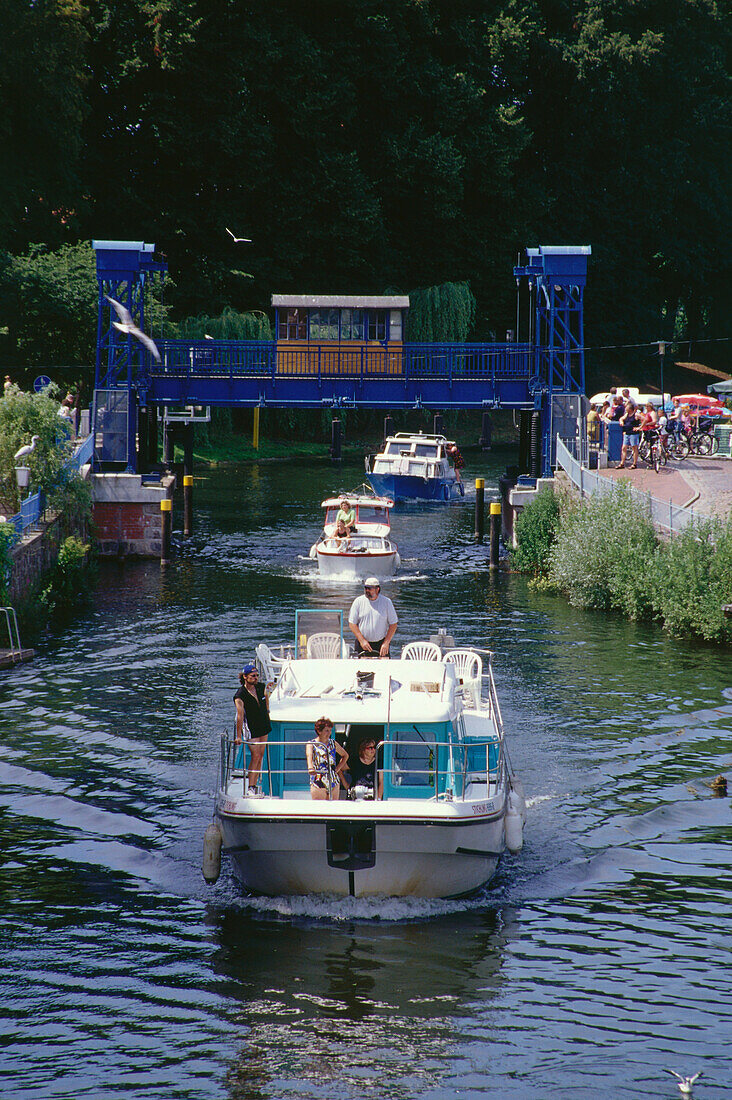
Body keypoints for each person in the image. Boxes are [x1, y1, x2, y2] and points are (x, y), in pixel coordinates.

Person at [234, 663, 272, 796]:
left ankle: (254, 784)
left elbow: (266, 698)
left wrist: (267, 710)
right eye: (253, 676)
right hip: (251, 728)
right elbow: (240, 716)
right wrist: (238, 736)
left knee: (260, 756)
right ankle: (251, 786)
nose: (256, 678)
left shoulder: (261, 687)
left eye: (257, 675)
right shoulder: (240, 695)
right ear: (245, 677)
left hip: (263, 725)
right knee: (255, 756)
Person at [349, 578, 398, 657]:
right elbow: (352, 624)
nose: (366, 590)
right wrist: (362, 640)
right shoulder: (358, 601)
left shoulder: (387, 602)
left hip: (381, 644)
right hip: (362, 644)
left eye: (369, 588)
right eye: (365, 588)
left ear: (377, 589)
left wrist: (386, 643)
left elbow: (393, 624)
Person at [306, 716, 348, 800]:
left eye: (330, 730)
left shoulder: (333, 743)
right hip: (318, 779)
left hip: (333, 780)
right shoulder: (311, 744)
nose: (329, 733)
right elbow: (309, 756)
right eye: (326, 730)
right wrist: (310, 767)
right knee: (320, 808)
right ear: (319, 731)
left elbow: (345, 755)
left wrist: (338, 768)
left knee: (333, 808)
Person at [618, 400, 641, 468]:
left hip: (633, 433)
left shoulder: (636, 415)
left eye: (627, 408)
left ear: (630, 409)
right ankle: (622, 463)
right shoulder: (626, 414)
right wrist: (621, 421)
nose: (625, 409)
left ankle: (634, 464)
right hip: (627, 433)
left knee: (634, 448)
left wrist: (639, 427)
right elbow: (621, 418)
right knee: (624, 448)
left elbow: (644, 419)